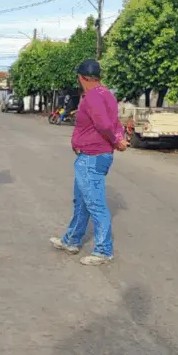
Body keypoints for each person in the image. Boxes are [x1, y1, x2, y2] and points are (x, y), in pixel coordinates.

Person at [50, 59, 128, 266]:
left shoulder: (92, 97)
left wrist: (115, 139)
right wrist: (119, 138)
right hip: (95, 155)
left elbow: (104, 124)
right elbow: (115, 122)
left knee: (95, 204)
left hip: (91, 157)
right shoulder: (108, 95)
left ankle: (103, 250)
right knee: (82, 201)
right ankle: (72, 240)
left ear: (82, 77)